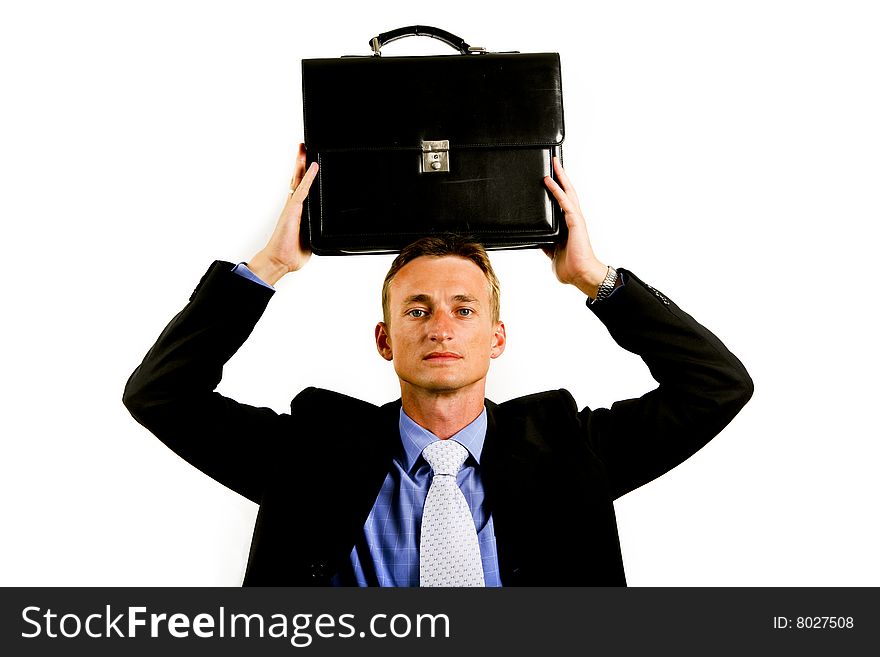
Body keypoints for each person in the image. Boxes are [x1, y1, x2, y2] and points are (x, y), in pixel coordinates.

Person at [123, 144, 753, 586]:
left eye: (463, 308)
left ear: (497, 336)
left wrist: (594, 279)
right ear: (384, 339)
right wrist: (270, 266)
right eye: (418, 310)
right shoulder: (312, 451)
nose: (442, 327)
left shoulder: (568, 450)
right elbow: (160, 395)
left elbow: (717, 386)